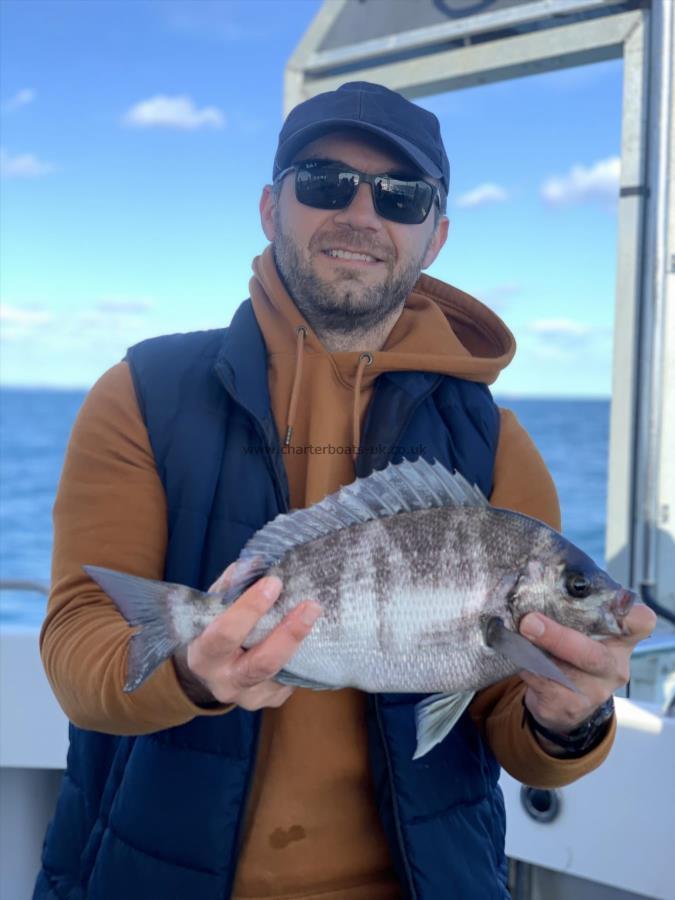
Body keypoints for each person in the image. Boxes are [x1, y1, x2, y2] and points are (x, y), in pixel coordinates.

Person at [35, 82, 655, 900]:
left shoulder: (497, 446)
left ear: (434, 235)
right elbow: (81, 641)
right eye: (325, 181)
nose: (362, 213)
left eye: (401, 195)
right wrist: (191, 670)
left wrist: (568, 714)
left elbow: (512, 727)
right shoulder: (143, 392)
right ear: (270, 207)